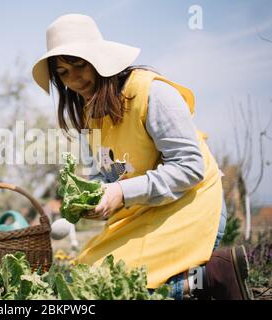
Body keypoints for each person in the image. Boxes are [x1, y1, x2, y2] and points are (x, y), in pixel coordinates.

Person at [31, 13, 253, 300]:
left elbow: (190, 167)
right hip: (145, 210)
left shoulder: (153, 92)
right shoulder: (90, 114)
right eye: (62, 73)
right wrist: (95, 198)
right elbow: (103, 175)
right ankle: (202, 279)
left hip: (192, 204)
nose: (73, 79)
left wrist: (121, 192)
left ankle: (210, 277)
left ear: (98, 59)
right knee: (83, 280)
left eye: (79, 65)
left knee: (119, 291)